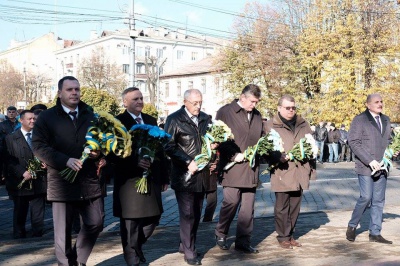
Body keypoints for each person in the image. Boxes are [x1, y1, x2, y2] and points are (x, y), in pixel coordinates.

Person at [32, 76, 104, 266]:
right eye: (69, 89)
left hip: (88, 180)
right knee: (62, 233)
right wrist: (65, 161)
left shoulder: (90, 115)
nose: (74, 93)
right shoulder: (47, 117)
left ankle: (78, 259)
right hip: (62, 182)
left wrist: (99, 153)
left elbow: (101, 141)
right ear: (60, 93)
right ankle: (66, 263)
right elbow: (38, 146)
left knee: (96, 222)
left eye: (77, 89)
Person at [112, 87, 169, 266]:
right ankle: (133, 259)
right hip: (128, 181)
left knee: (153, 218)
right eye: (135, 99)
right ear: (125, 102)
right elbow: (113, 154)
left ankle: (136, 247)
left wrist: (165, 177)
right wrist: (134, 162)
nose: (139, 102)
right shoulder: (118, 122)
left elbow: (161, 150)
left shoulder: (151, 120)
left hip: (151, 179)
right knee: (130, 223)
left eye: (141, 98)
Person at [164, 89, 212, 265]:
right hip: (184, 175)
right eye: (194, 103)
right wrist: (187, 161)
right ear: (185, 102)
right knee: (187, 213)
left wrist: (213, 148)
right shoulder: (174, 119)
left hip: (202, 174)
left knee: (196, 212)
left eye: (200, 102)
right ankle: (190, 251)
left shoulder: (206, 118)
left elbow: (209, 140)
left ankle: (185, 244)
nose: (198, 106)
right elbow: (168, 145)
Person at [214, 84, 263, 254]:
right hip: (232, 166)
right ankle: (221, 232)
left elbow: (260, 138)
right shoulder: (226, 112)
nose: (254, 105)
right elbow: (219, 138)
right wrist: (233, 155)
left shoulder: (257, 116)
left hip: (250, 168)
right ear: (242, 97)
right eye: (252, 101)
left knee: (248, 209)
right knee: (231, 202)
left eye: (257, 102)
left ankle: (243, 241)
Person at [264, 95, 315, 249]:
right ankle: (282, 236)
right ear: (279, 108)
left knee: (295, 205)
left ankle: (290, 234)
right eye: (287, 108)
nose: (291, 110)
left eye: (293, 107)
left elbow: (310, 144)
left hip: (299, 169)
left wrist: (311, 166)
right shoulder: (270, 125)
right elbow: (265, 149)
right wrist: (277, 157)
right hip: (282, 170)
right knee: (282, 206)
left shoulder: (302, 123)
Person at [346, 93, 393, 244]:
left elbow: (389, 141)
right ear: (368, 104)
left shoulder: (386, 119)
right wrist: (369, 160)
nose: (380, 104)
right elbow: (353, 142)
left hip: (383, 167)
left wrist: (393, 150)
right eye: (376, 102)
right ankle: (352, 225)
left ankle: (375, 232)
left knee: (379, 200)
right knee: (366, 197)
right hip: (366, 166)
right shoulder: (360, 120)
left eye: (381, 101)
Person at [4, 110, 46, 238]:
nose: (33, 121)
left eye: (34, 118)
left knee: (38, 210)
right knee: (20, 209)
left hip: (38, 179)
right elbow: (7, 159)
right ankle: (19, 234)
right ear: (21, 120)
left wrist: (46, 163)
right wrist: (22, 172)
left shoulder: (41, 137)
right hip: (20, 180)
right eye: (29, 119)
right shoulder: (10, 138)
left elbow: (48, 152)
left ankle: (38, 234)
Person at [0, 106, 20, 185]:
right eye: (9, 112)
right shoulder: (2, 125)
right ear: (7, 113)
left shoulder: (19, 124)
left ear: (16, 113)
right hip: (5, 148)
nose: (11, 114)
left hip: (17, 147)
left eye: (13, 112)